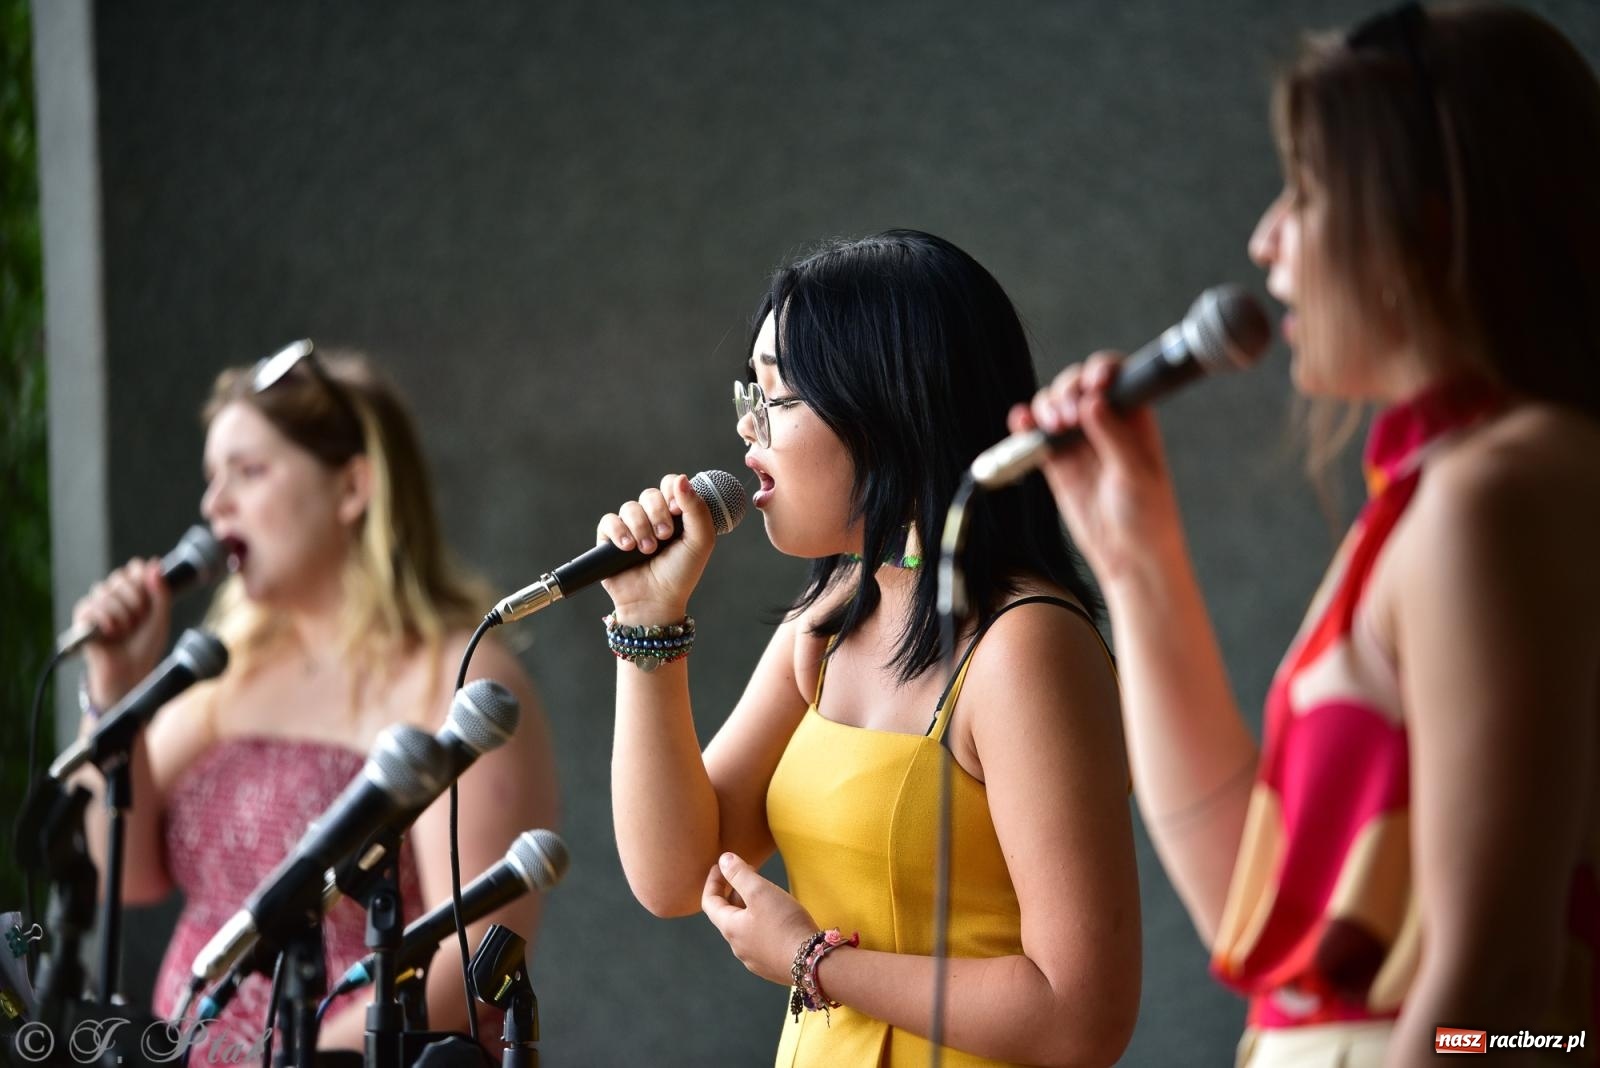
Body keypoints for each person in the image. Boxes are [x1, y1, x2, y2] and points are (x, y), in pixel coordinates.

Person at [1014, 4, 1600, 1065]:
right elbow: (1261, 899)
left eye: (1309, 192)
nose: (1265, 240)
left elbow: (1504, 996)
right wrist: (1132, 555)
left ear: (1428, 223)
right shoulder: (1449, 490)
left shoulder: (1496, 494)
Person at [595, 230, 1140, 1066]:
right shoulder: (829, 616)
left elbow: (1081, 1018)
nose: (750, 431)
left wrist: (814, 963)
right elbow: (674, 877)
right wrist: (647, 623)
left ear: (888, 406)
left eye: (778, 397)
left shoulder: (1023, 644)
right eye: (753, 392)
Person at [69, 343, 559, 1049]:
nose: (215, 505)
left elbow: (477, 955)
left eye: (250, 471)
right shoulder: (226, 671)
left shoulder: (456, 678)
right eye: (213, 478)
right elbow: (125, 874)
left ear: (353, 488)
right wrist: (113, 690)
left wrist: (309, 1057)